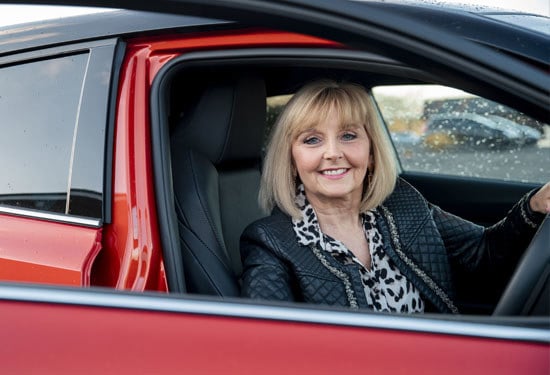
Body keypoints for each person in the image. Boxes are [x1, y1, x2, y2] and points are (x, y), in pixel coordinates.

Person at [239, 80, 550, 313]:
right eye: (312, 140)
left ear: (372, 151)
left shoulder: (403, 203)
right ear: (292, 160)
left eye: (348, 135)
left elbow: (482, 254)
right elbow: (270, 345)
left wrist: (535, 206)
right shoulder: (271, 241)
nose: (332, 153)